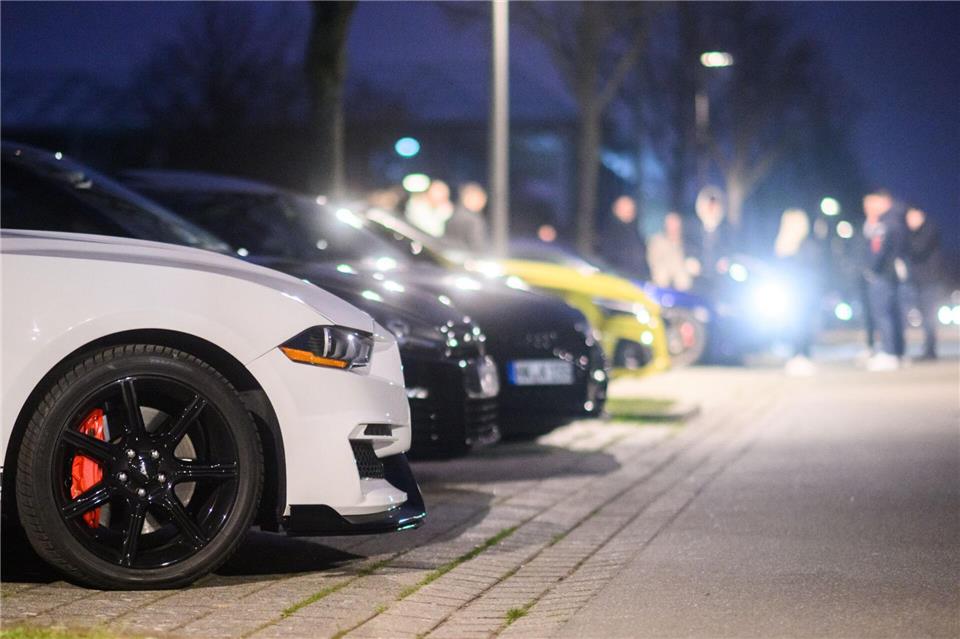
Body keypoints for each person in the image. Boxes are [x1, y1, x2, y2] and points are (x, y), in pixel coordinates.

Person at [858, 189, 906, 371]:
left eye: (871, 203)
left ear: (883, 201)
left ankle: (889, 353)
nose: (868, 208)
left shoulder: (886, 222)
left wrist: (871, 268)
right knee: (888, 313)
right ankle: (893, 352)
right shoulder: (895, 220)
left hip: (883, 274)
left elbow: (880, 250)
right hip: (888, 273)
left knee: (882, 313)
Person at [773, 209, 820, 376]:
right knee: (795, 325)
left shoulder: (806, 245)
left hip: (802, 292)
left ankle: (802, 355)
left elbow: (811, 271)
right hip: (792, 292)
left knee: (802, 324)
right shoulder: (784, 246)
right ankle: (797, 355)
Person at [905, 206, 943, 359]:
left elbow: (918, 249)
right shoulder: (912, 233)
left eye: (912, 217)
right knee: (922, 315)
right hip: (916, 281)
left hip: (929, 280)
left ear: (920, 216)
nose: (909, 222)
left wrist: (906, 237)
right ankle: (927, 347)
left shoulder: (929, 230)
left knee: (929, 316)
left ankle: (930, 349)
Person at [598, 195, 648, 279]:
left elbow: (643, 257)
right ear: (616, 210)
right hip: (618, 280)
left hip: (638, 280)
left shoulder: (636, 233)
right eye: (625, 209)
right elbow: (608, 259)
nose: (629, 213)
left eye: (631, 210)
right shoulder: (610, 232)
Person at [647, 211, 695, 291]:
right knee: (661, 274)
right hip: (661, 281)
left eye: (675, 223)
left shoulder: (687, 242)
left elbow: (691, 262)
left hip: (681, 282)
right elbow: (652, 260)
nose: (673, 226)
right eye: (670, 223)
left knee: (683, 278)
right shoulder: (656, 240)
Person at [444, 182, 489, 253]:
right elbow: (477, 245)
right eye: (481, 199)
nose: (483, 204)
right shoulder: (474, 220)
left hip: (452, 257)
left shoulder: (452, 216)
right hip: (470, 259)